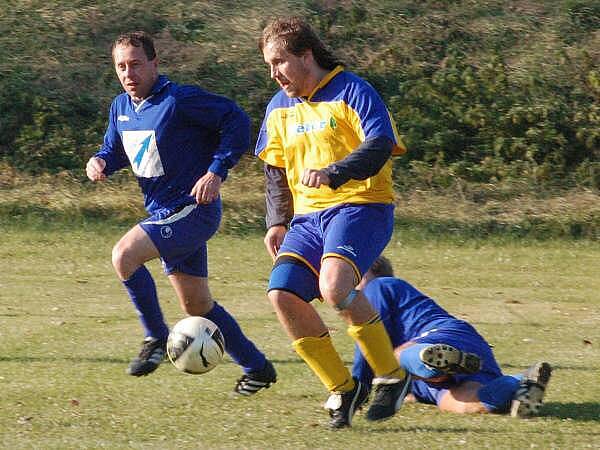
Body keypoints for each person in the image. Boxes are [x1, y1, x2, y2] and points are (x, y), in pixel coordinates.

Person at [85, 31, 276, 396]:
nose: (128, 73)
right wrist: (101, 162)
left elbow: (235, 120)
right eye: (121, 66)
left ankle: (156, 337)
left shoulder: (180, 100)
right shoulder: (121, 107)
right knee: (198, 306)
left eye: (136, 64)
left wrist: (217, 171)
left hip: (192, 210)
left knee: (124, 255)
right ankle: (257, 368)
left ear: (155, 64)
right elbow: (115, 148)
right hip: (163, 213)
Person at [255, 17, 410, 428]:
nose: (274, 74)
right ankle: (343, 388)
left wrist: (334, 172)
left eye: (280, 62)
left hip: (362, 206)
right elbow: (274, 170)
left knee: (335, 287)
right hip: (307, 220)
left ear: (306, 55)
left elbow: (380, 145)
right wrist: (276, 221)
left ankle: (392, 377)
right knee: (281, 294)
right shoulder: (278, 108)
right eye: (269, 66)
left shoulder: (353, 91)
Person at [352, 256, 553, 418]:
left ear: (372, 265)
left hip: (445, 334)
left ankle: (432, 360)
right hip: (455, 365)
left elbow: (368, 338)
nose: (349, 285)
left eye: (353, 276)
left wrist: (355, 391)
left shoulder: (379, 285)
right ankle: (521, 382)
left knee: (390, 359)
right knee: (458, 402)